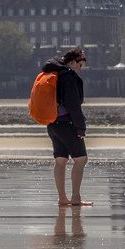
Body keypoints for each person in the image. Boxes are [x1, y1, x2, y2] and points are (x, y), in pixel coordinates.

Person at [44, 47, 90, 207]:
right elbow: (73, 105)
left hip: (52, 123)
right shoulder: (69, 77)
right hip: (67, 123)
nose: (80, 69)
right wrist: (80, 127)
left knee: (61, 159)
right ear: (73, 61)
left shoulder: (55, 73)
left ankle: (62, 198)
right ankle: (76, 198)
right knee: (81, 159)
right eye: (80, 65)